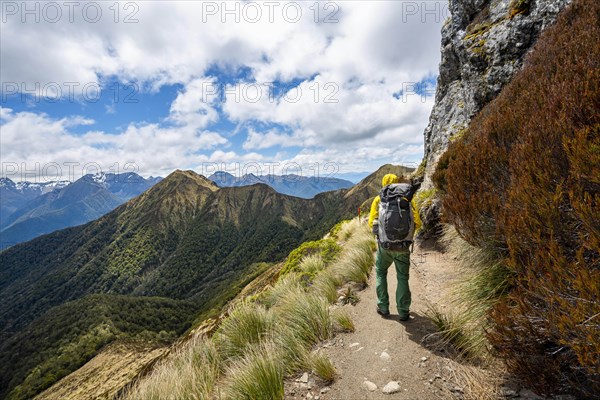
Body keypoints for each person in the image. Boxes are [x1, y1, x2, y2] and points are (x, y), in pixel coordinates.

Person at [368, 174, 421, 321]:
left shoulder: (379, 200)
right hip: (403, 247)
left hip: (384, 246)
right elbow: (418, 222)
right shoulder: (408, 200)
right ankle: (403, 311)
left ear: (384, 183)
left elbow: (371, 222)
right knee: (403, 277)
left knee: (380, 272)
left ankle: (383, 307)